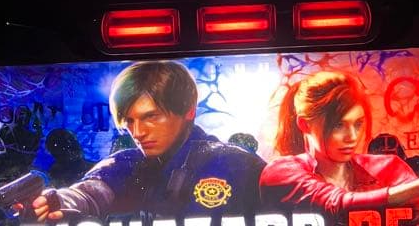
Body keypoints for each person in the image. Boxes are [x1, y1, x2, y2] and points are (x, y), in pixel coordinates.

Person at [260, 71, 419, 225]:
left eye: (358, 123)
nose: (352, 137)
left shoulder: (389, 168)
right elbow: (337, 204)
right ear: (305, 124)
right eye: (338, 125)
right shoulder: (281, 173)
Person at [32, 60, 264, 221]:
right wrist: (58, 202)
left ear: (189, 110)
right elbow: (90, 193)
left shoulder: (236, 163)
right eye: (129, 121)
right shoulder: (127, 162)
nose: (138, 132)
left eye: (151, 117)